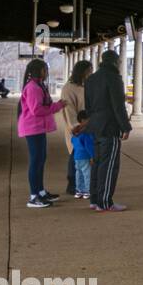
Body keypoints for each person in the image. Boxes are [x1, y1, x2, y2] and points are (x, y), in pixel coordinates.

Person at [84, 49, 132, 213]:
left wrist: (93, 121)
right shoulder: (114, 78)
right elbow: (118, 106)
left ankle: (95, 199)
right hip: (109, 127)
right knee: (109, 165)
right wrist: (125, 126)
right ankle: (105, 203)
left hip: (95, 126)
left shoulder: (91, 79)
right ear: (115, 62)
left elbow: (88, 106)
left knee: (97, 164)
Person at [17, 58, 66, 209]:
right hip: (33, 128)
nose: (47, 72)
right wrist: (57, 106)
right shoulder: (33, 87)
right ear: (38, 71)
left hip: (38, 128)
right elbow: (36, 110)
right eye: (45, 69)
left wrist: (55, 105)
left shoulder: (39, 85)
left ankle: (41, 191)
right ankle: (33, 197)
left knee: (40, 159)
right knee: (36, 161)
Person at [60, 60, 92, 197]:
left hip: (88, 125)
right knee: (76, 156)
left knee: (83, 157)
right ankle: (73, 185)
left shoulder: (85, 85)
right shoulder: (68, 88)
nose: (91, 73)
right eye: (89, 70)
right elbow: (69, 110)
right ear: (82, 71)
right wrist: (76, 126)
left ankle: (83, 186)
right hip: (78, 128)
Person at [71, 109, 95, 202]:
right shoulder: (86, 133)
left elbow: (72, 142)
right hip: (85, 157)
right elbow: (89, 146)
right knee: (87, 174)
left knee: (78, 174)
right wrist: (92, 156)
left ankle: (79, 191)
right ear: (83, 120)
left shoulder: (75, 133)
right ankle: (87, 191)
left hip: (77, 157)